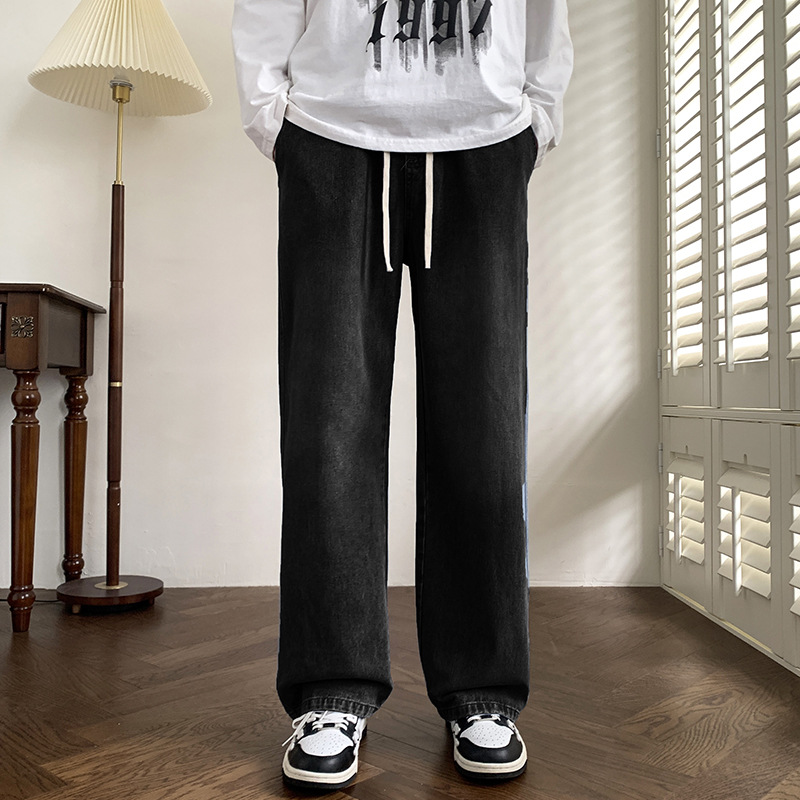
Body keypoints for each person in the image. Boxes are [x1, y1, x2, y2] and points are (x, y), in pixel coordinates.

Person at [232, 0, 574, 790]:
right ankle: (330, 689)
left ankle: (484, 691)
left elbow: (547, 16)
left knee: (485, 426)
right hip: (331, 137)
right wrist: (274, 121)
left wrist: (537, 121)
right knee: (327, 424)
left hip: (485, 141)